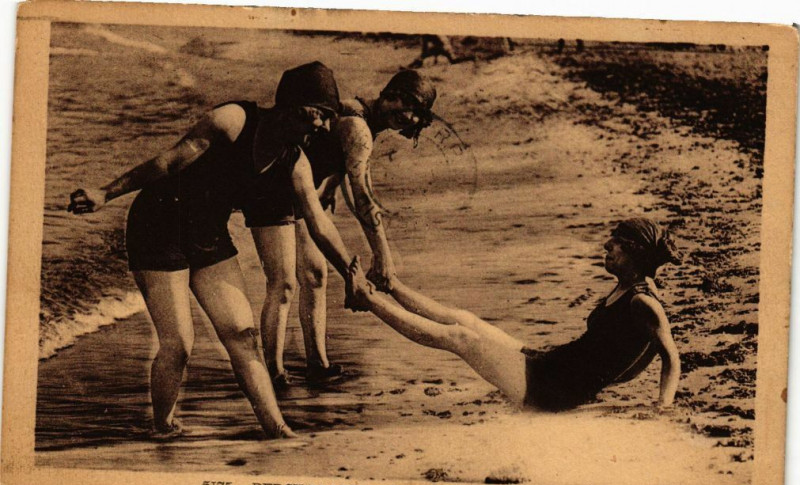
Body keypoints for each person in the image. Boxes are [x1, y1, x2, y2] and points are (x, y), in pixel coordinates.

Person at [67, 62, 360, 439]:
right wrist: (105, 193)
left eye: (328, 118)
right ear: (293, 106)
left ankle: (277, 429)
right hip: (159, 224)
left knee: (243, 334)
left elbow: (319, 223)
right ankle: (163, 427)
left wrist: (352, 274)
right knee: (178, 345)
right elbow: (168, 162)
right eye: (319, 115)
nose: (322, 126)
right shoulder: (232, 121)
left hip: (207, 231)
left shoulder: (294, 162)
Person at [346, 218, 682, 411]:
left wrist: (662, 407)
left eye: (616, 242)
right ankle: (391, 286)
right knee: (466, 320)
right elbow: (634, 356)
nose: (607, 245)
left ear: (635, 252)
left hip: (550, 390)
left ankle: (369, 300)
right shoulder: (628, 286)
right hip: (549, 366)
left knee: (460, 338)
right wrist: (612, 380)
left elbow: (670, 356)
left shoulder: (643, 302)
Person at [243, 69, 437, 387]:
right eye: (409, 107)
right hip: (277, 188)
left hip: (297, 191)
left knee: (314, 275)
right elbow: (363, 198)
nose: (411, 119)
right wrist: (383, 257)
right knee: (284, 283)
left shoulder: (356, 112)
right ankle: (274, 372)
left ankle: (316, 364)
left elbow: (337, 161)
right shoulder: (360, 129)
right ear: (391, 95)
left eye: (419, 114)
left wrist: (330, 188)